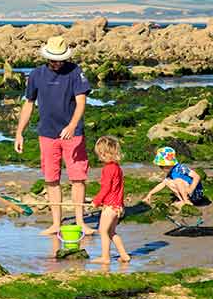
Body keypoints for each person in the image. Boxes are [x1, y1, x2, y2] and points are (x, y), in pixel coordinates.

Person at [15, 36, 94, 236]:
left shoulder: (75, 72)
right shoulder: (36, 75)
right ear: (47, 57)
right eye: (53, 59)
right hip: (47, 134)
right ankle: (56, 223)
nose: (57, 63)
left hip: (73, 134)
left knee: (78, 177)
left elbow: (81, 102)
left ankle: (80, 222)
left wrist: (72, 125)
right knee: (51, 178)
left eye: (60, 59)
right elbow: (29, 103)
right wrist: (19, 133)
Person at [90, 136, 131, 264]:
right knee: (112, 232)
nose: (100, 157)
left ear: (106, 153)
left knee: (102, 231)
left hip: (110, 205)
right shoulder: (117, 168)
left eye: (101, 154)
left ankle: (105, 257)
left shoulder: (108, 169)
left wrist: (96, 201)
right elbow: (118, 188)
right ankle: (124, 255)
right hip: (118, 206)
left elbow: (106, 188)